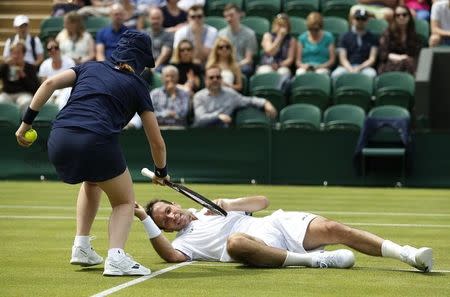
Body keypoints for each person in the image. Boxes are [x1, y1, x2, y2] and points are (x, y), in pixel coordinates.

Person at [15, 31, 168, 276]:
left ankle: (81, 246)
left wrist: (26, 124)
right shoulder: (138, 86)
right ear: (140, 60)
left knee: (93, 181)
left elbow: (48, 84)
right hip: (96, 141)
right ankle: (116, 257)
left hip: (59, 137)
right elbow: (156, 142)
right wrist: (161, 171)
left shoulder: (89, 67)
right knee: (124, 201)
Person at [134, 195, 433, 273]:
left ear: (175, 204)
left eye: (168, 211)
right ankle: (316, 262)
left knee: (334, 228)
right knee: (234, 243)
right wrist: (145, 218)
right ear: (166, 229)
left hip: (275, 226)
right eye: (165, 221)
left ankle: (408, 253)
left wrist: (229, 204)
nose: (172, 218)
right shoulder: (184, 242)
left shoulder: (212, 207)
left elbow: (263, 202)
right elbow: (171, 255)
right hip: (255, 247)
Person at [192, 65, 277, 128]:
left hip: (223, 135)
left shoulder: (231, 94)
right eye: (211, 78)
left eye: (218, 77)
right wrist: (218, 116)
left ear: (221, 79)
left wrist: (265, 103)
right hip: (201, 135)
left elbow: (249, 100)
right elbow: (200, 119)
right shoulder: (198, 96)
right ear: (205, 80)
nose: (215, 80)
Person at [331, 9, 378, 79]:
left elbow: (372, 59)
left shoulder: (372, 37)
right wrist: (350, 69)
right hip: (347, 66)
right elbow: (342, 59)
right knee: (336, 74)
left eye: (363, 19)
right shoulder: (344, 36)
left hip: (364, 67)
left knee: (372, 74)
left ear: (367, 21)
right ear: (353, 20)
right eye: (358, 18)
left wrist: (359, 68)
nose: (360, 21)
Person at [378, 5, 422, 75]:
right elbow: (383, 54)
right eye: (398, 15)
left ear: (409, 17)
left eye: (404, 15)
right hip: (391, 63)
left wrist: (406, 59)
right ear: (394, 18)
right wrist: (401, 57)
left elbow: (417, 55)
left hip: (409, 65)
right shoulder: (388, 33)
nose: (401, 17)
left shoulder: (414, 36)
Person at [218, 3, 258, 77]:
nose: (228, 19)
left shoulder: (249, 34)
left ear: (240, 14)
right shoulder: (221, 34)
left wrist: (235, 66)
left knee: (246, 69)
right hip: (225, 64)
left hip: (242, 64)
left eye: (231, 15)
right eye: (226, 16)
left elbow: (248, 59)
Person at [0, 42, 40, 111]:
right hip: (7, 94)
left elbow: (35, 88)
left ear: (24, 54)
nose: (15, 56)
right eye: (13, 53)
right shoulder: (6, 66)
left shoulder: (30, 67)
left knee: (26, 102)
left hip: (23, 94)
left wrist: (23, 76)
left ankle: (24, 121)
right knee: (1, 102)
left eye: (18, 53)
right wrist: (5, 65)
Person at [256, 13, 296, 81]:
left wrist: (279, 65)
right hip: (267, 64)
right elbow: (270, 52)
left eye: (283, 26)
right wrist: (279, 38)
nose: (281, 28)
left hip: (282, 66)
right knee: (265, 72)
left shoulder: (291, 40)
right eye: (279, 25)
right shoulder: (267, 36)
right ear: (274, 25)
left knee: (283, 73)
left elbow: (290, 59)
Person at [38, 39, 75, 110]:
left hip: (66, 92)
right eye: (50, 49)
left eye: (56, 48)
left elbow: (72, 83)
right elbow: (43, 85)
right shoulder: (44, 65)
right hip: (50, 94)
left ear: (60, 49)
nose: (53, 50)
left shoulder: (69, 62)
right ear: (47, 52)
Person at [296, 12, 336, 76]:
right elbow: (298, 61)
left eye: (316, 29)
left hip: (323, 67)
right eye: (310, 29)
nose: (313, 32)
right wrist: (304, 66)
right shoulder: (302, 38)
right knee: (300, 73)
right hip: (305, 67)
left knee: (320, 73)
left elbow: (332, 60)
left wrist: (320, 66)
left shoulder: (329, 37)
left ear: (320, 27)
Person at [146, 7, 174, 72]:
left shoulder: (168, 35)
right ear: (148, 19)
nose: (155, 21)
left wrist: (154, 67)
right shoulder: (143, 34)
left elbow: (164, 54)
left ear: (162, 19)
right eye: (153, 18)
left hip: (161, 66)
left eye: (158, 18)